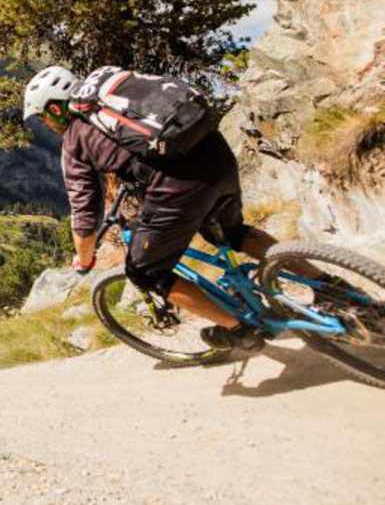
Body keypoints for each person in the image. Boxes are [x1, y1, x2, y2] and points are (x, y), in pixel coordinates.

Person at [23, 65, 303, 350]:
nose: (46, 124)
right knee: (234, 232)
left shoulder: (74, 139)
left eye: (44, 116)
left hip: (179, 186)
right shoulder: (107, 85)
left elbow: (84, 215)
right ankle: (330, 286)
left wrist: (84, 261)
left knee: (145, 272)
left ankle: (241, 331)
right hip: (215, 153)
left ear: (55, 109)